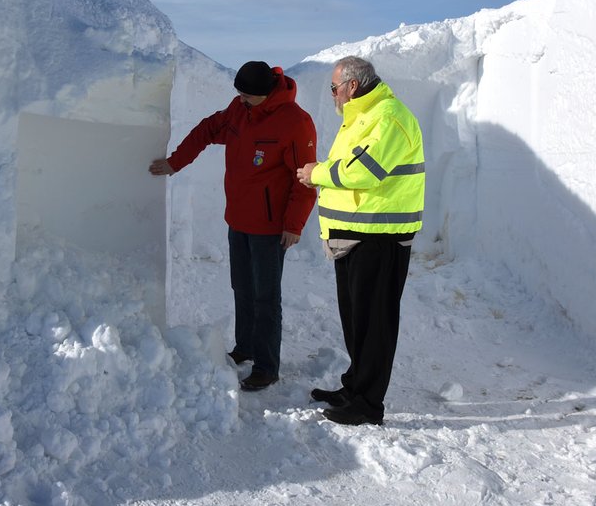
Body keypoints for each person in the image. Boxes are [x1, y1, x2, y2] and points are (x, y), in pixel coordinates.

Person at [150, 60, 317, 391]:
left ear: (266, 93)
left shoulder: (295, 123)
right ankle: (246, 346)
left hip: (270, 227)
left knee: (266, 297)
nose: (240, 99)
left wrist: (294, 224)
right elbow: (208, 129)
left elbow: (305, 180)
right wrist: (175, 163)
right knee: (242, 287)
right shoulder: (241, 109)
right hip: (238, 219)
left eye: (247, 95)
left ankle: (267, 366)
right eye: (238, 94)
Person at [296, 56, 425, 425]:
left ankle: (368, 404)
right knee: (357, 321)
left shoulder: (388, 117)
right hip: (355, 236)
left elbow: (364, 171)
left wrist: (317, 173)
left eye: (334, 87)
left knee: (375, 325)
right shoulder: (361, 118)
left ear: (352, 86)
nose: (333, 94)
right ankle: (354, 388)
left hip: (379, 238)